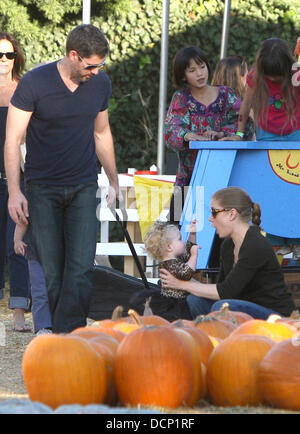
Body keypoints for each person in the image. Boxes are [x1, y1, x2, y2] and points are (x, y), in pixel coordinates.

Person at [4, 24, 120, 333]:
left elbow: (101, 132)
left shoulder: (100, 84)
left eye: (101, 65)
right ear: (73, 55)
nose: (96, 71)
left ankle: (73, 335)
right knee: (52, 270)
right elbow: (13, 138)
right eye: (91, 65)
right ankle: (58, 336)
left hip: (84, 185)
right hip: (42, 188)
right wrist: (15, 192)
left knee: (81, 268)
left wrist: (114, 180)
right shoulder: (34, 83)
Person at [160, 187, 296, 320]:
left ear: (231, 214)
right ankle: (216, 337)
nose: (210, 218)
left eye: (214, 212)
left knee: (223, 307)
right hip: (241, 308)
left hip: (274, 315)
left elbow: (226, 292)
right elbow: (222, 289)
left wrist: (182, 284)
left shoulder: (255, 244)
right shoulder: (228, 245)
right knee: (195, 300)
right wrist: (182, 279)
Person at [223, 38, 300, 258]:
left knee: (296, 188)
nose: (275, 79)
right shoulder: (256, 76)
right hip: (268, 135)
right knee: (272, 188)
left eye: (278, 75)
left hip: (296, 133)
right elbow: (245, 106)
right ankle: (277, 240)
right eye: (270, 75)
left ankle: (297, 239)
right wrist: (238, 134)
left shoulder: (296, 73)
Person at [164, 46, 254, 225]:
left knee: (224, 234)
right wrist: (188, 135)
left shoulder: (226, 95)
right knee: (177, 232)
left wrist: (223, 134)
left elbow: (245, 123)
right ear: (183, 76)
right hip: (188, 179)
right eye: (192, 70)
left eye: (202, 67)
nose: (199, 73)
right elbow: (170, 130)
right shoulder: (180, 98)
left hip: (225, 177)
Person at [0, 32, 31, 332]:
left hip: (17, 181)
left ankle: (20, 313)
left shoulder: (24, 90)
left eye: (9, 55)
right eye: (0, 55)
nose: (5, 61)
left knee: (17, 244)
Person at [144, 220, 200, 299]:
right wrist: (194, 256)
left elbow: (188, 253)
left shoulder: (173, 260)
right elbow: (187, 273)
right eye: (180, 239)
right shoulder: (169, 265)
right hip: (176, 303)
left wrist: (192, 234)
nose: (183, 242)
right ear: (169, 247)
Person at [14, 221, 52, 335]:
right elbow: (22, 220)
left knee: (59, 289)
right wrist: (17, 240)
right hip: (35, 249)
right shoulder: (32, 202)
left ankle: (61, 324)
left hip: (59, 249)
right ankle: (43, 326)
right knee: (39, 290)